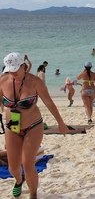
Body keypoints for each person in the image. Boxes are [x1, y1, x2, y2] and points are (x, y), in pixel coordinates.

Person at [0, 52, 68, 199]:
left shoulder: (35, 82)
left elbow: (49, 102)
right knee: (13, 167)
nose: (13, 73)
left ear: (24, 66)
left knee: (27, 162)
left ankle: (33, 194)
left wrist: (60, 123)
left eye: (15, 69)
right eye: (10, 70)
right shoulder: (2, 80)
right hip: (12, 126)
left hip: (33, 126)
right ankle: (19, 180)